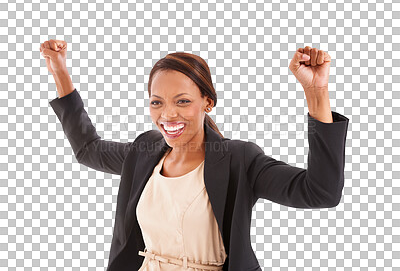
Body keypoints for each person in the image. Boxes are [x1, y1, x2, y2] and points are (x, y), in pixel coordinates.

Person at [40, 40, 349, 271]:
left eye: (183, 101)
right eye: (157, 102)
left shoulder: (238, 160)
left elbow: (320, 192)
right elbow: (88, 149)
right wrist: (60, 73)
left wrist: (316, 93)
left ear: (207, 103)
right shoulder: (144, 152)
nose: (168, 114)